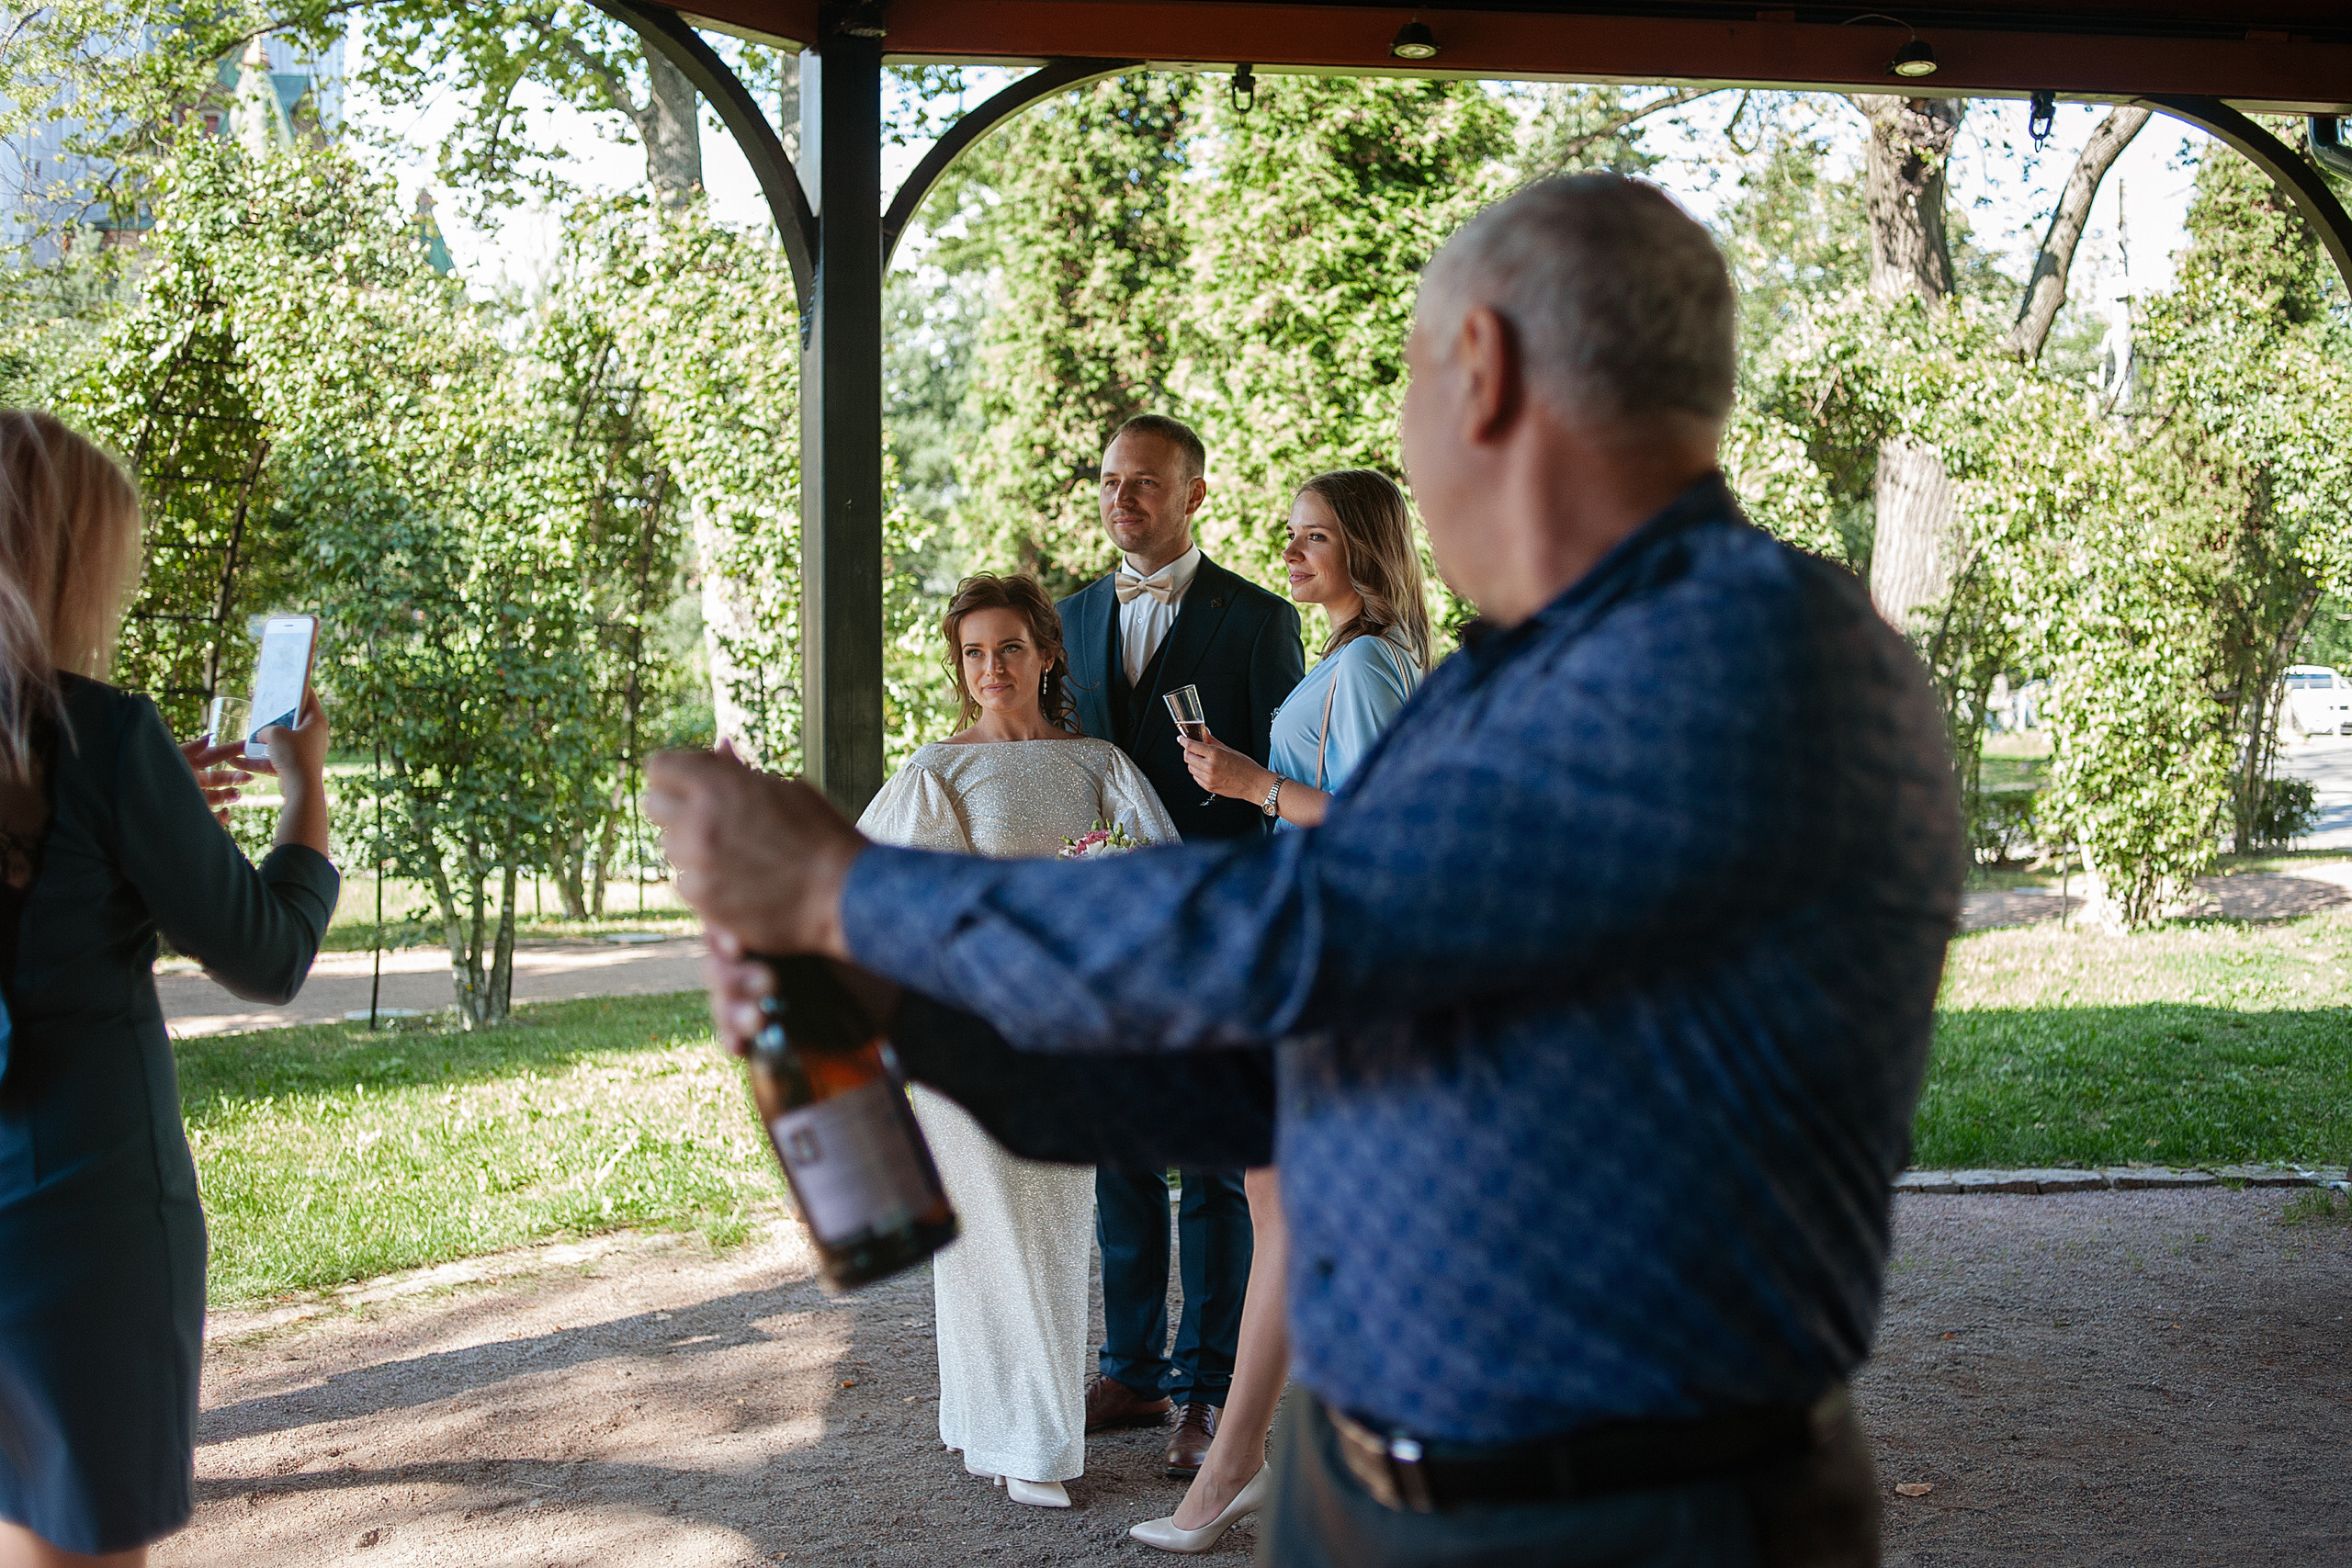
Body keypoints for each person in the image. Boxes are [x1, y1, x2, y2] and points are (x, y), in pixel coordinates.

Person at [651, 173, 1962, 1568]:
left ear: (1486, 368)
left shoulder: (1722, 658)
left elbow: (1293, 934)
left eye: (1406, 376)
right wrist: (894, 998)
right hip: (1402, 1480)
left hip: (1607, 1514)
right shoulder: (1536, 668)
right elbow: (1268, 1061)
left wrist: (848, 891)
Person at [0, 411, 339, 1568]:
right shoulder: (102, 734)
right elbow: (268, 954)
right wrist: (306, 797)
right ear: (70, 561)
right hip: (82, 1211)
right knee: (79, 1544)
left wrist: (143, 822)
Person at [1128, 468, 1432, 1553]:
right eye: (1290, 537)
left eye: (1313, 539)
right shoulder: (1364, 661)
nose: (1291, 554)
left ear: (1362, 550)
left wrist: (1252, 786)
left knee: (1294, 1214)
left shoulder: (1364, 672)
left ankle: (1237, 1466)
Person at [857, 572, 1178, 1510]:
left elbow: (1157, 881)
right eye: (972, 652)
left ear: (1046, 655)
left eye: (1008, 648)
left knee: (1049, 1235)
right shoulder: (936, 772)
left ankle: (993, 1425)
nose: (990, 667)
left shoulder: (1097, 764)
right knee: (986, 1240)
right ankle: (1031, 1440)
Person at [1055, 414, 1303, 1476]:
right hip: (1104, 935)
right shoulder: (1064, 618)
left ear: (1195, 495)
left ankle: (1206, 1390)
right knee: (1120, 1150)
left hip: (1216, 929)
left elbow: (1276, 784)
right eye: (1111, 481)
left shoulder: (1258, 621)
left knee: (1209, 1166)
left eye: (1146, 484)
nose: (1123, 500)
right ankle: (1131, 1367)